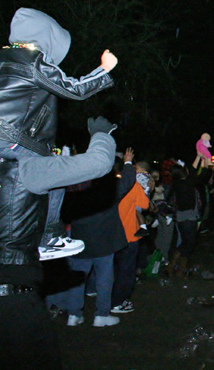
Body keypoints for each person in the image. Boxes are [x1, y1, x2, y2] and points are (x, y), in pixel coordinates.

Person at [0, 116, 117, 370]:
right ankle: (50, 236)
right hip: (12, 300)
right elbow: (98, 163)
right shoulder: (22, 168)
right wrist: (101, 133)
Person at [0, 8, 117, 261]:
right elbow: (73, 89)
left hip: (11, 142)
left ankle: (49, 237)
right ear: (45, 36)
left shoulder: (5, 58)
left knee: (54, 179)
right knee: (53, 173)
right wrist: (103, 70)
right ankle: (49, 237)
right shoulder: (31, 60)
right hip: (14, 141)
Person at [61, 148, 136, 328]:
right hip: (103, 239)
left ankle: (74, 314)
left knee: (78, 277)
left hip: (80, 237)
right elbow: (126, 183)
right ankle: (101, 315)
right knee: (104, 277)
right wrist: (127, 162)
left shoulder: (73, 186)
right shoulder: (105, 188)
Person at [110, 154, 152, 314]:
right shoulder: (132, 185)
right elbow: (145, 204)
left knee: (110, 269)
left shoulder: (106, 183)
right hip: (128, 234)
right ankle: (118, 302)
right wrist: (147, 189)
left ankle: (105, 298)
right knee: (126, 271)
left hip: (111, 234)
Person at [170, 161, 213, 277]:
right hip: (189, 216)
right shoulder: (186, 183)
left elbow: (196, 174)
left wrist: (200, 158)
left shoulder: (178, 183)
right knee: (189, 244)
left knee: (185, 242)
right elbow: (202, 176)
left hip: (182, 216)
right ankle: (179, 270)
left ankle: (172, 267)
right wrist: (207, 164)